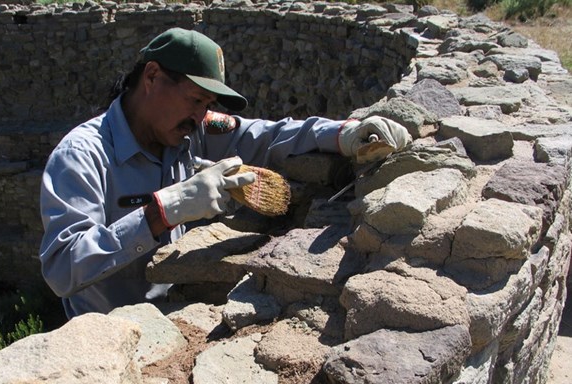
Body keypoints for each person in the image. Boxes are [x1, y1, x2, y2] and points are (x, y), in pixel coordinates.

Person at [39, 27, 411, 319]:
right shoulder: (82, 155)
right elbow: (61, 269)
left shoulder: (191, 130)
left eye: (208, 104)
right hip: (106, 334)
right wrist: (165, 210)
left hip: (173, 318)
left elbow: (265, 135)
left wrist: (345, 134)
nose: (200, 116)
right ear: (151, 76)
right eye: (195, 99)